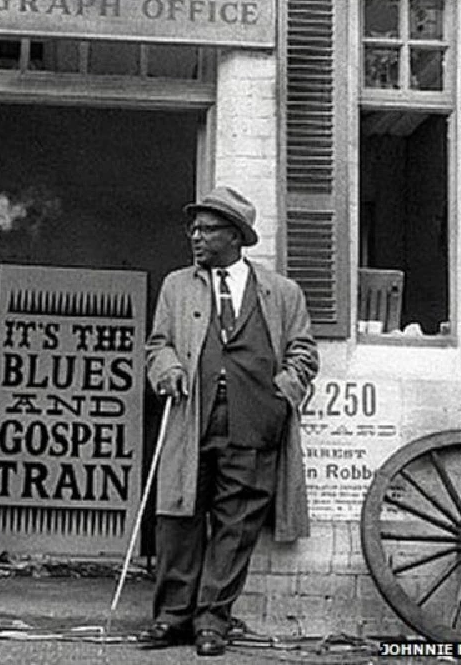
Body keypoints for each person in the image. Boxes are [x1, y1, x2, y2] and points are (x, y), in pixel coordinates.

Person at [140, 186, 318, 657]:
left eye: (207, 229)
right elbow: (157, 345)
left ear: (235, 235)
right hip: (192, 416)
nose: (195, 236)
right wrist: (168, 369)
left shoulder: (282, 292)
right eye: (194, 228)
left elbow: (304, 350)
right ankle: (172, 619)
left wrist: (283, 392)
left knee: (236, 525)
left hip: (255, 421)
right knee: (178, 518)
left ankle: (212, 622)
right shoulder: (177, 286)